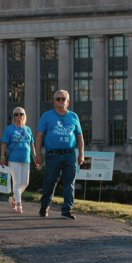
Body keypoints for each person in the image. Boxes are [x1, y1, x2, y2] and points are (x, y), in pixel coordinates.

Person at [34, 90, 85, 220]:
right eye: (58, 99)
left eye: (63, 99)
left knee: (69, 183)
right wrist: (38, 153)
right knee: (50, 182)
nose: (60, 101)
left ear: (68, 101)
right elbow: (40, 135)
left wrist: (81, 154)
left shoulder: (73, 116)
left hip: (70, 155)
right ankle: (44, 206)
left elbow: (79, 137)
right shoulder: (46, 116)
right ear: (54, 101)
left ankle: (66, 210)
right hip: (52, 155)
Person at [0, 107, 35, 213]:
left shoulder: (27, 129)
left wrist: (34, 156)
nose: (19, 116)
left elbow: (31, 144)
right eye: (16, 114)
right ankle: (19, 205)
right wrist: (2, 157)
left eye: (21, 114)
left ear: (24, 116)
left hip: (26, 159)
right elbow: (4, 143)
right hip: (13, 159)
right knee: (17, 182)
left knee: (25, 182)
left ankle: (13, 198)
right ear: (14, 116)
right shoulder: (9, 129)